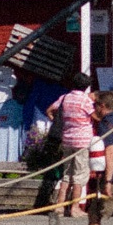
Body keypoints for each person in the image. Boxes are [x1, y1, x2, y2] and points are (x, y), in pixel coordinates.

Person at [46, 72, 98, 214]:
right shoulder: (85, 100)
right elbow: (95, 116)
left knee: (67, 173)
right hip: (82, 141)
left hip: (67, 139)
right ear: (86, 86)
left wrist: (61, 122)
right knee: (79, 175)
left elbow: (49, 110)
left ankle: (60, 206)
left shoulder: (65, 97)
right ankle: (75, 207)